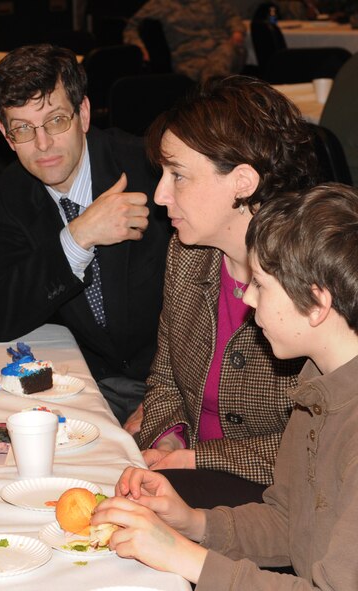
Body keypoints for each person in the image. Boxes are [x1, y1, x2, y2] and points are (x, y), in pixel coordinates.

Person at [93, 183, 358, 589]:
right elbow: (288, 522)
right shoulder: (317, 385)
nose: (247, 298)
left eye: (261, 285)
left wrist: (184, 556)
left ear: (317, 304)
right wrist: (193, 522)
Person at [131, 76, 317, 508]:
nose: (160, 195)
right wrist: (169, 439)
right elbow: (165, 380)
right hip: (192, 477)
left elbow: (320, 440)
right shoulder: (187, 254)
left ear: (243, 182)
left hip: (282, 501)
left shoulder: (314, 280)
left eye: (178, 175)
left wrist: (197, 459)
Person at [0, 44, 172, 425]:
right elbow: (1, 316)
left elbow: (209, 301)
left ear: (83, 114)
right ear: (5, 134)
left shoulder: (150, 170)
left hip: (167, 385)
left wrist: (164, 403)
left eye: (55, 121)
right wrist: (78, 236)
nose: (43, 144)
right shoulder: (10, 192)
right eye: (23, 129)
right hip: (82, 385)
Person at [123, 0, 247, 82]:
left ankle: (216, 101)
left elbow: (231, 16)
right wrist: (140, 47)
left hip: (220, 47)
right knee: (212, 74)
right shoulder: (159, 4)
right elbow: (132, 27)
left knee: (221, 59)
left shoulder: (211, 1)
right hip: (188, 56)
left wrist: (237, 32)